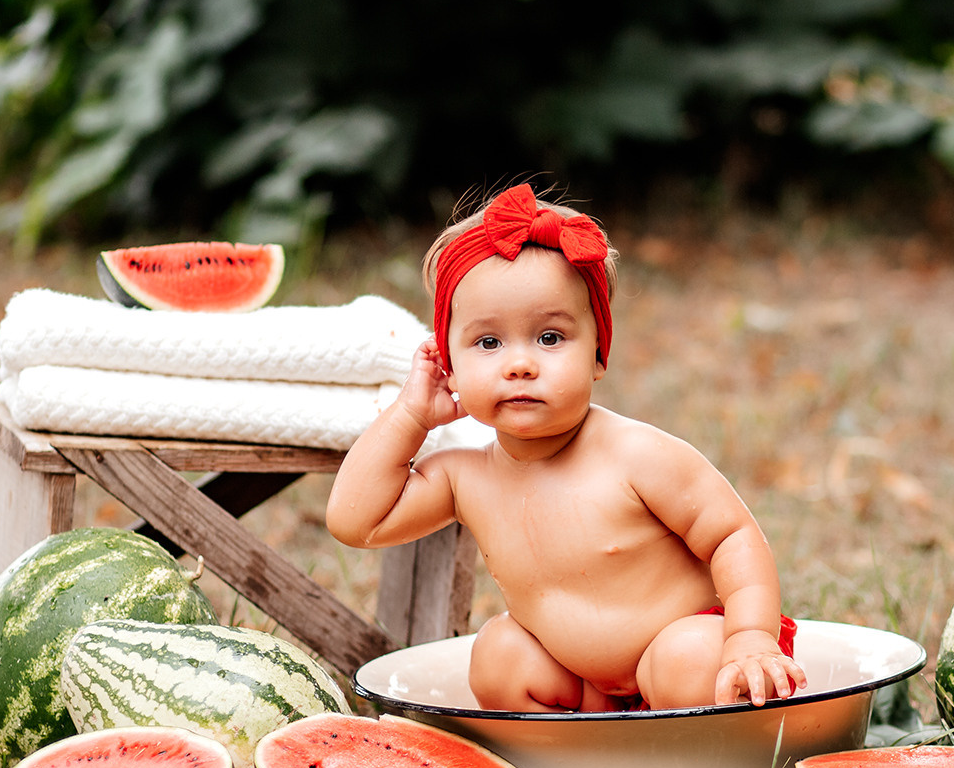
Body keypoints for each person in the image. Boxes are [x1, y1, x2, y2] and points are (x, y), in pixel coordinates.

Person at [327, 184, 807, 712]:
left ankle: (687, 765)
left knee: (684, 657)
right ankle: (582, 757)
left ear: (599, 354)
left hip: (700, 664)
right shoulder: (463, 478)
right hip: (590, 688)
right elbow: (356, 521)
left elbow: (733, 536)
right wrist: (411, 416)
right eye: (488, 343)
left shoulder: (636, 455)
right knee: (498, 653)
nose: (520, 364)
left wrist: (748, 637)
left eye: (550, 338)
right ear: (450, 366)